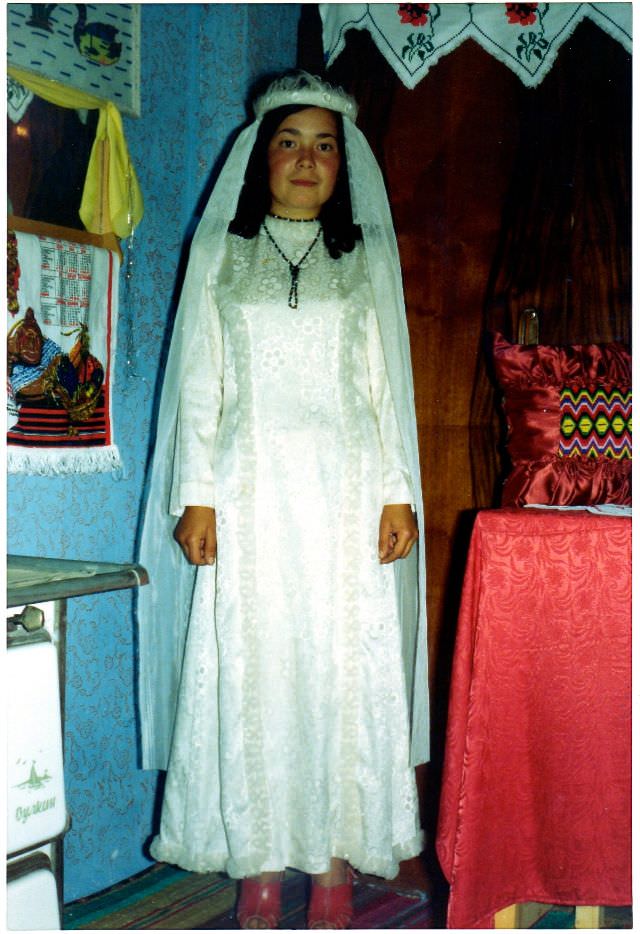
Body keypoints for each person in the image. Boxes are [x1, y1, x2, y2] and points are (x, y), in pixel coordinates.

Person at [138, 71, 429, 930]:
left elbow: (385, 391)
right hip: (250, 495)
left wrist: (396, 494)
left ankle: (333, 868)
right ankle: (259, 870)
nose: (307, 160)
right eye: (290, 142)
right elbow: (200, 386)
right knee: (255, 671)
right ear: (261, 156)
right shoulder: (223, 256)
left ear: (346, 163)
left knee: (336, 675)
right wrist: (196, 496)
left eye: (325, 145)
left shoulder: (365, 257)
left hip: (344, 500)